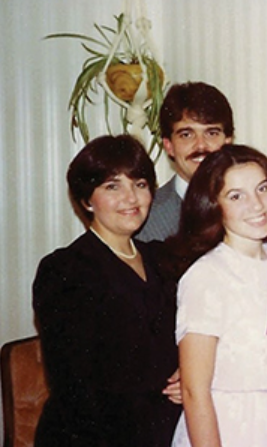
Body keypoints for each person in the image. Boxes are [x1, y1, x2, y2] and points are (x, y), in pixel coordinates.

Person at [33, 135, 182, 446]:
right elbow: (75, 387)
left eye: (139, 184)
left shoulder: (161, 259)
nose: (131, 198)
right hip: (95, 437)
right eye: (113, 186)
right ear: (88, 200)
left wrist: (189, 374)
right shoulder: (65, 270)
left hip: (165, 429)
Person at [169, 144, 267, 447]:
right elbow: (193, 390)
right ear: (213, 205)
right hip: (229, 427)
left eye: (262, 189)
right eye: (236, 196)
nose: (256, 205)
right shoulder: (206, 276)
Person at [136, 81, 234, 242]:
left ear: (228, 142)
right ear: (169, 146)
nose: (201, 145)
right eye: (186, 135)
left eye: (211, 133)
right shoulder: (145, 217)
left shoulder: (255, 207)